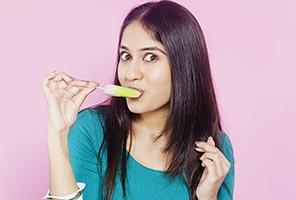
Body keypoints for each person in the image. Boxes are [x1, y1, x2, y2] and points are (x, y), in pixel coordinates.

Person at [42, 1, 234, 200]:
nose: (131, 73)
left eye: (150, 57)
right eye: (125, 56)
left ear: (184, 66)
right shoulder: (91, 130)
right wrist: (57, 137)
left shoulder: (215, 151)